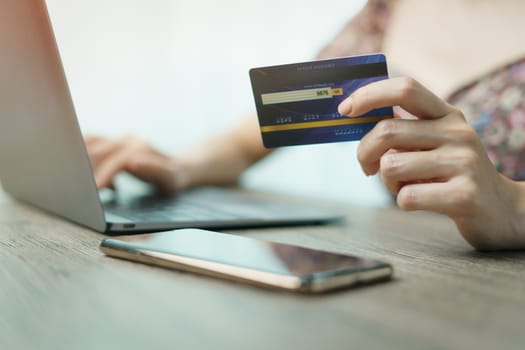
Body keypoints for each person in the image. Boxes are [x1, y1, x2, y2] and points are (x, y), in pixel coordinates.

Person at [84, 0, 525, 250]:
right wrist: (177, 167)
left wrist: (512, 204)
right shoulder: (383, 14)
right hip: (407, 272)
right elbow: (246, 142)